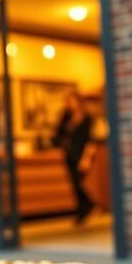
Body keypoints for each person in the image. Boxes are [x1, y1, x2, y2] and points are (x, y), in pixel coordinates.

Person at [53, 91, 95, 224]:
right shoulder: (66, 117)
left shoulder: (87, 119)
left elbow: (90, 140)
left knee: (80, 182)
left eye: (71, 101)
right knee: (74, 183)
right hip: (70, 154)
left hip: (82, 154)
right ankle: (83, 209)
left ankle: (88, 206)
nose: (69, 104)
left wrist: (86, 158)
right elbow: (57, 134)